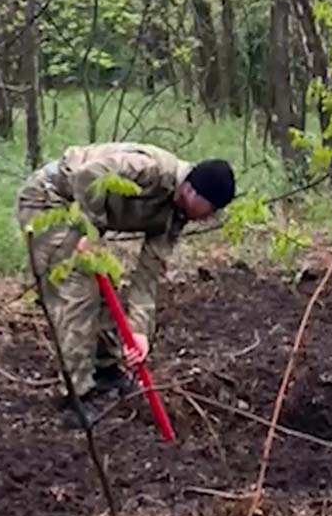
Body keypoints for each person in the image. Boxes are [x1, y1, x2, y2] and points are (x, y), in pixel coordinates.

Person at [16, 142, 235, 427]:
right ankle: (78, 395)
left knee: (107, 288)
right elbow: (88, 175)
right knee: (78, 292)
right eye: (211, 207)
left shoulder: (175, 216)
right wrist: (92, 228)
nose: (211, 216)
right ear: (192, 191)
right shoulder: (151, 170)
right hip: (50, 198)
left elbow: (148, 277)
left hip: (81, 214)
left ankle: (105, 370)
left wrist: (139, 331)